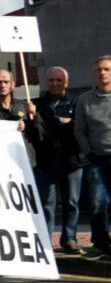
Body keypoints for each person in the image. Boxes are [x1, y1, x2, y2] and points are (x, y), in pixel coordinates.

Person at [33, 67, 87, 253]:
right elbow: (38, 130)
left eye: (59, 80)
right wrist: (62, 122)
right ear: (46, 82)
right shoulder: (36, 104)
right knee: (47, 203)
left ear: (66, 83)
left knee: (71, 202)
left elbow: (79, 127)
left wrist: (64, 124)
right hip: (47, 160)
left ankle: (69, 239)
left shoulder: (77, 102)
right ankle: (46, 240)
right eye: (51, 80)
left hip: (72, 160)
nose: (54, 84)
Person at [75, 56, 111, 261]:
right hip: (97, 159)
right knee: (98, 205)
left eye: (106, 69)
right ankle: (100, 245)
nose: (102, 72)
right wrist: (89, 153)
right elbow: (79, 131)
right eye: (98, 70)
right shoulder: (85, 100)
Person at [0, 69, 43, 173]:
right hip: (0, 164)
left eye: (6, 82)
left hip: (26, 163)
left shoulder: (25, 107)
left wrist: (34, 116)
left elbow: (39, 135)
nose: (2, 85)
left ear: (12, 84)